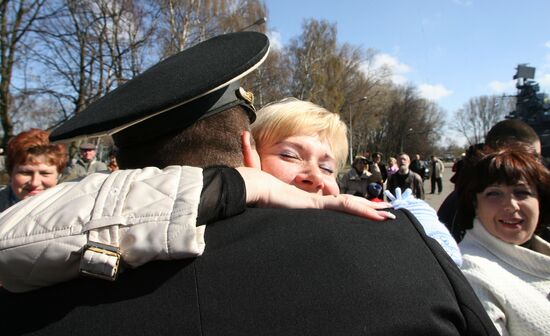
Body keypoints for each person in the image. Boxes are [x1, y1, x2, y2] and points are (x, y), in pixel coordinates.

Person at [0, 32, 497, 335]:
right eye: (290, 154)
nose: (313, 178)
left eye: (328, 165)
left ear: (119, 167)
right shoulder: (401, 250)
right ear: (248, 152)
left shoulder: (36, 277)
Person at [456, 145, 550, 335]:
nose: (511, 205)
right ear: (475, 204)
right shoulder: (472, 274)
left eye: (522, 192)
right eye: (494, 193)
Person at [438, 119, 544, 243]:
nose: (532, 165)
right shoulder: (457, 206)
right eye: (521, 156)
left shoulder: (539, 195)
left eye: (536, 158)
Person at [0, 128, 67, 212]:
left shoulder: (70, 211)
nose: (34, 183)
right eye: (25, 173)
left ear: (58, 175)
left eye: (44, 173)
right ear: (11, 172)